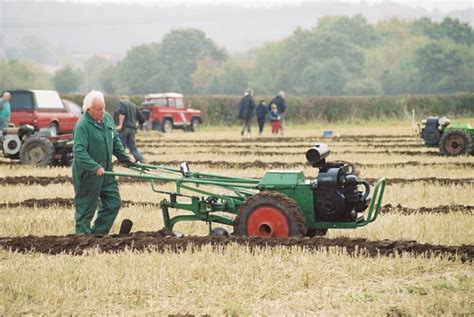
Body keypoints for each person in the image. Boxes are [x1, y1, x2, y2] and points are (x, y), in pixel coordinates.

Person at [72, 90, 134, 235]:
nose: (102, 111)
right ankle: (82, 239)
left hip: (106, 171)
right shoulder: (82, 126)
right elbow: (79, 151)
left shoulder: (107, 119)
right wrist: (94, 167)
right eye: (98, 109)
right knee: (86, 210)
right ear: (89, 110)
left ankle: (98, 234)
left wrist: (125, 159)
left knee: (113, 203)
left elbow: (115, 141)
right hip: (88, 174)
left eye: (103, 108)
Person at [116, 95, 148, 164]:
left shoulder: (122, 103)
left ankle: (123, 162)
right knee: (133, 148)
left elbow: (122, 113)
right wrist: (138, 126)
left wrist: (120, 125)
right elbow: (142, 119)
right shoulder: (134, 106)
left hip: (124, 128)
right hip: (132, 129)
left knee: (121, 148)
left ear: (122, 99)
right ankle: (142, 160)